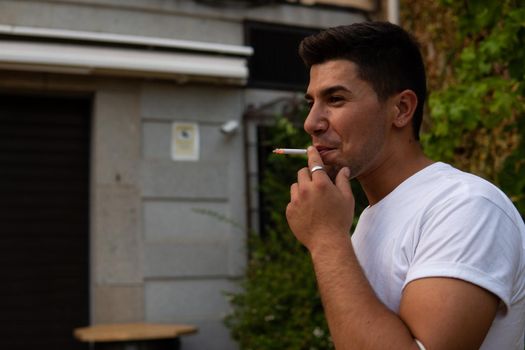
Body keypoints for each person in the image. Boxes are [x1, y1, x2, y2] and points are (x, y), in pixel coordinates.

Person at [285, 21, 525, 350]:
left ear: (401, 109)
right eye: (311, 102)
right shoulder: (369, 220)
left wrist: (326, 240)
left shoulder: (466, 207)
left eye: (336, 99)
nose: (311, 122)